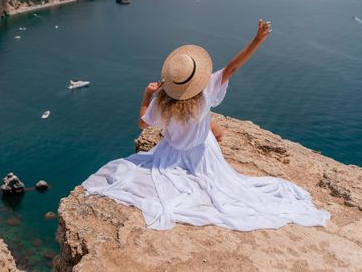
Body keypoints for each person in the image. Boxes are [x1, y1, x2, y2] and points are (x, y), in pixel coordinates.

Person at [83, 20, 330, 231]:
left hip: (169, 156)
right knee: (232, 190)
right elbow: (233, 67)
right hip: (204, 156)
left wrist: (147, 95)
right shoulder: (205, 91)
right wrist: (257, 39)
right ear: (196, 76)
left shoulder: (162, 102)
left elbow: (141, 123)